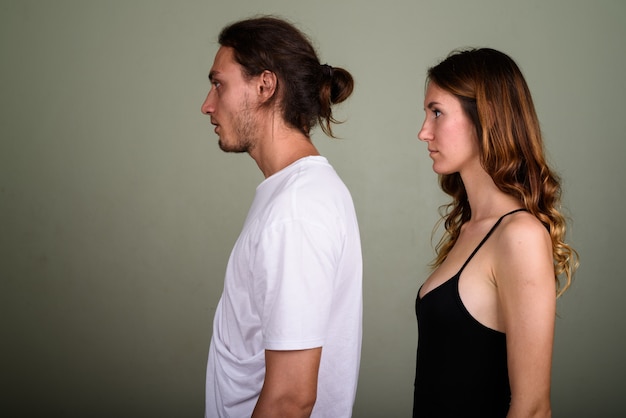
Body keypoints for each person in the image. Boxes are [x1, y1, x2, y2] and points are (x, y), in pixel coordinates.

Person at [201, 16, 362, 418]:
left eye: (219, 84)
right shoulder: (293, 196)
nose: (207, 104)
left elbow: (291, 398)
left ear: (265, 86)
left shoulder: (297, 209)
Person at [413, 48, 579, 417]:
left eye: (437, 112)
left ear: (484, 118)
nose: (424, 132)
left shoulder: (519, 236)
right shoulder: (470, 229)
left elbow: (533, 408)